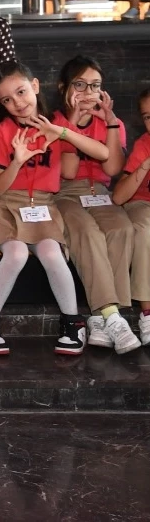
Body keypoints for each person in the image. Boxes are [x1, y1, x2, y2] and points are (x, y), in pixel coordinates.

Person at [0, 61, 97, 355]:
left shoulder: (56, 126)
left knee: (50, 252)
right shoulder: (0, 132)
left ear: (34, 86)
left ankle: (73, 323)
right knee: (17, 253)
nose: (17, 103)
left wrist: (65, 132)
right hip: (6, 204)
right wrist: (17, 160)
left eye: (21, 92)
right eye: (7, 99)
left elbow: (78, 166)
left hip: (43, 205)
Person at [53, 57, 141, 353]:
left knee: (122, 228)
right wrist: (75, 124)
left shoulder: (110, 123)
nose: (88, 92)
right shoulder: (56, 122)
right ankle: (112, 314)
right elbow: (66, 171)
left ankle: (101, 320)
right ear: (64, 87)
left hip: (100, 191)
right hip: (65, 193)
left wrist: (112, 123)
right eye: (80, 84)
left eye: (95, 85)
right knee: (87, 233)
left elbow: (114, 167)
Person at [110, 85, 150, 344]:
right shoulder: (144, 144)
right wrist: (146, 164)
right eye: (147, 116)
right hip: (140, 203)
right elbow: (119, 196)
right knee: (144, 231)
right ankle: (147, 313)